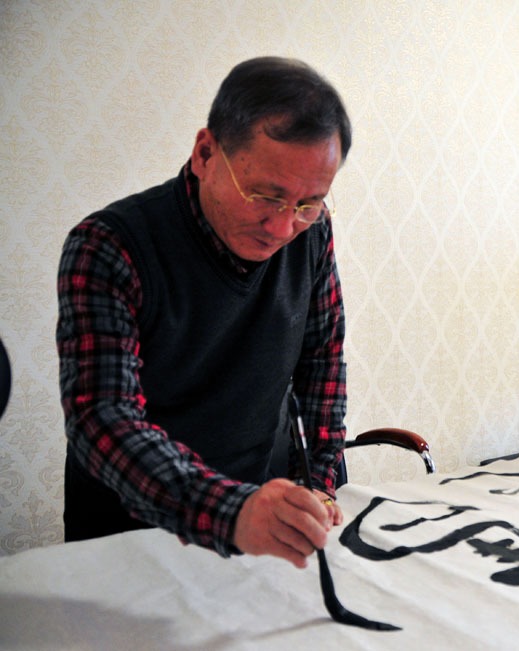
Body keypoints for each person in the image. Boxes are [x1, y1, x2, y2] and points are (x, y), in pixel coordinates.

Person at [57, 57, 351, 569]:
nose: (283, 227)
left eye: (308, 203)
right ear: (205, 153)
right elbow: (103, 419)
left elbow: (322, 365)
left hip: (255, 527)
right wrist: (229, 511)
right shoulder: (109, 245)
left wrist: (317, 486)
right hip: (128, 537)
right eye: (266, 195)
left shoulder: (313, 234)